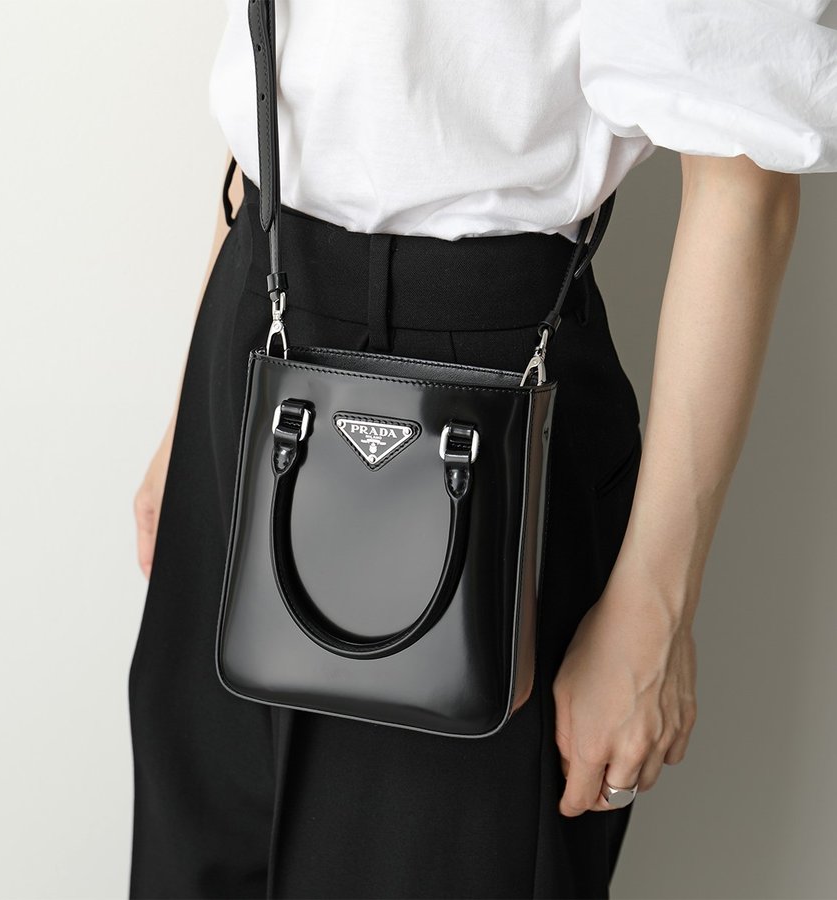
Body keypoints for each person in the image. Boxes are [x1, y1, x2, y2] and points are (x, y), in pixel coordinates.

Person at [127, 2, 837, 897]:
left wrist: (656, 609)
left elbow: (745, 181)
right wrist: (187, 424)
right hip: (251, 332)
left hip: (487, 393)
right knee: (193, 864)